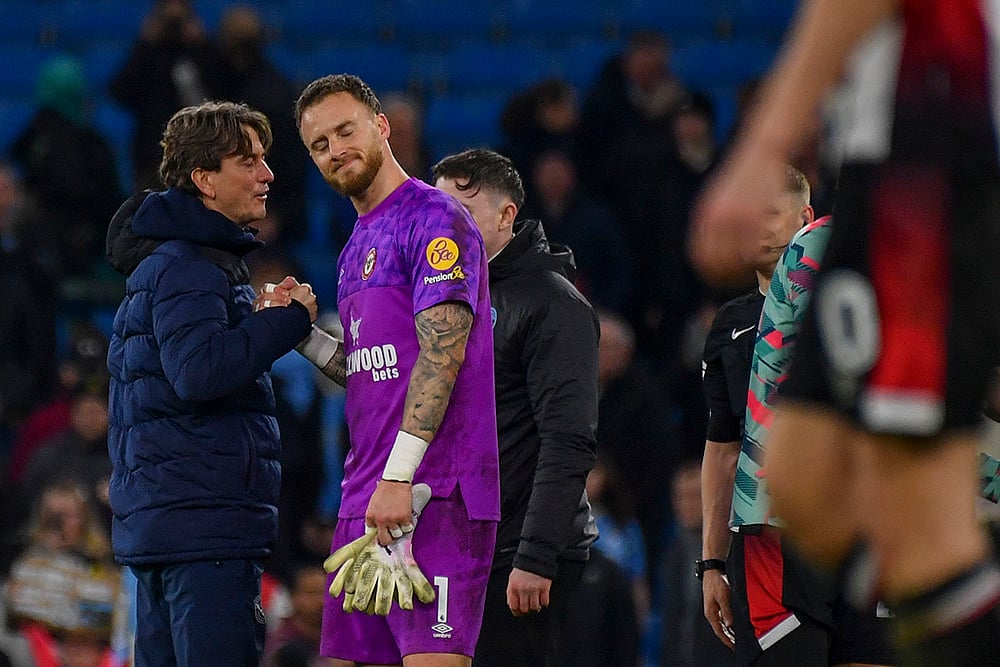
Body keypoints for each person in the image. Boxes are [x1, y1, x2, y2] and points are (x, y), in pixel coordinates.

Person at [691, 1, 1000, 664]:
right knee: (800, 477)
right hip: (888, 167)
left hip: (933, 157)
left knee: (919, 512)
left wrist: (764, 146)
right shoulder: (800, 258)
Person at [287, 74, 499, 667]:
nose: (334, 150)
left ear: (381, 127)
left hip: (436, 495)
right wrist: (303, 337)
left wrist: (399, 476)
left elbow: (443, 354)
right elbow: (373, 376)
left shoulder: (436, 219)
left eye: (345, 131)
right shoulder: (355, 244)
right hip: (368, 500)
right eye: (320, 144)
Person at [105, 100, 317, 666]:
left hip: (169, 528)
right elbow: (200, 373)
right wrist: (286, 322)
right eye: (247, 161)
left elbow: (182, 371)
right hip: (203, 535)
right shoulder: (191, 266)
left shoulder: (171, 263)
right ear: (204, 179)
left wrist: (254, 324)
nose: (266, 175)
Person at [430, 148, 599, 667]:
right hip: (464, 546)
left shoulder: (553, 304)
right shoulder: (447, 298)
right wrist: (311, 340)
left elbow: (567, 440)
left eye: (462, 213)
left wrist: (535, 555)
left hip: (519, 557)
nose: (445, 230)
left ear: (508, 216)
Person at [699, 166, 816, 664]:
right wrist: (711, 561)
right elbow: (723, 451)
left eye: (772, 213)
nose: (758, 227)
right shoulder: (729, 325)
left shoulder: (842, 308)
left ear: (806, 218)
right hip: (765, 541)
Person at [109, 0, 226, 190]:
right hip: (152, 156)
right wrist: (145, 43)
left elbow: (223, 90)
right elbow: (119, 91)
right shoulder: (149, 57)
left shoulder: (199, 55)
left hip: (197, 154)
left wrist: (202, 44)